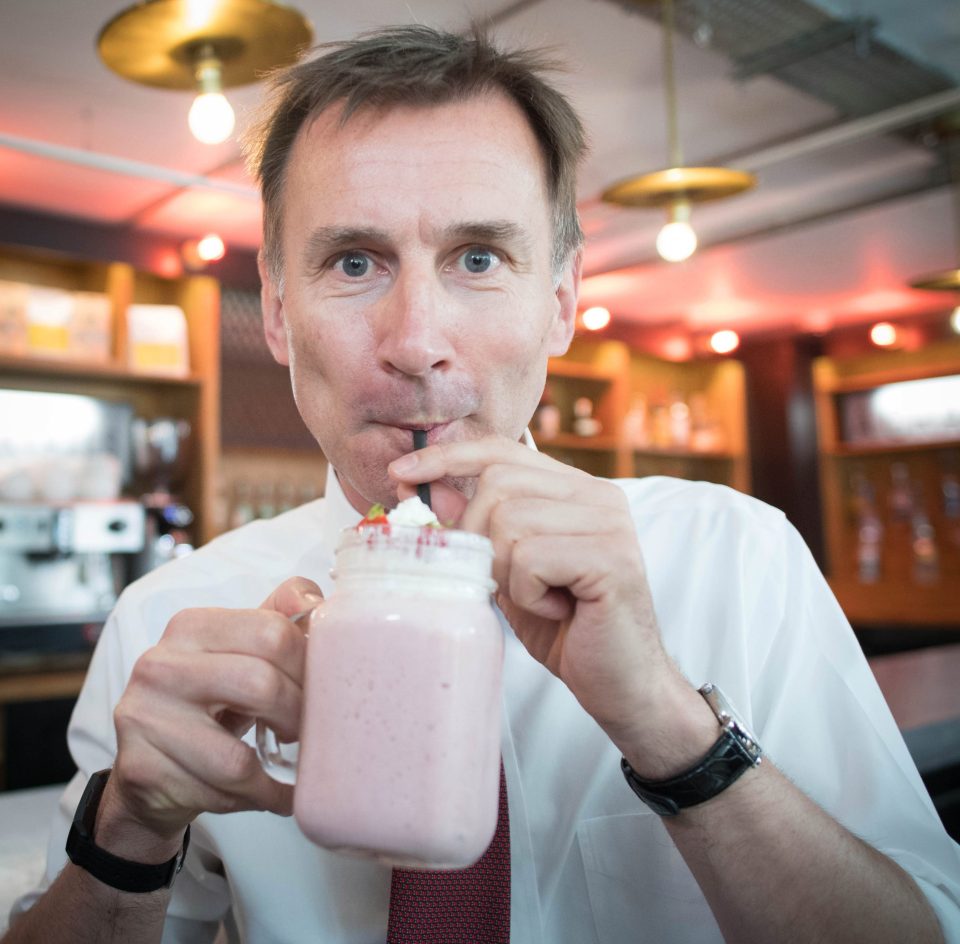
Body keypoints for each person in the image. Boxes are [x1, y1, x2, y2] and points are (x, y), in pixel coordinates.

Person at [6, 24, 960, 944]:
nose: (417, 343)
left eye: (477, 258)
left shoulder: (738, 559)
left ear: (561, 303)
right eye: (353, 261)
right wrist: (125, 831)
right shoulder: (169, 623)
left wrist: (673, 729)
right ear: (283, 313)